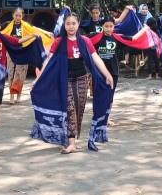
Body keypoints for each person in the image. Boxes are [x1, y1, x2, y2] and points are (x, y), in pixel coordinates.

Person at [36, 13, 114, 154]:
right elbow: (48, 61)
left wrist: (107, 75)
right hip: (64, 80)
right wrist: (38, 78)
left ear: (78, 25)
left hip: (82, 79)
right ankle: (72, 143)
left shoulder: (85, 41)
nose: (71, 26)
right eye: (68, 24)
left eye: (73, 23)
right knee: (70, 110)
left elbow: (96, 59)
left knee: (79, 109)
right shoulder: (59, 42)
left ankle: (70, 136)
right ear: (64, 26)